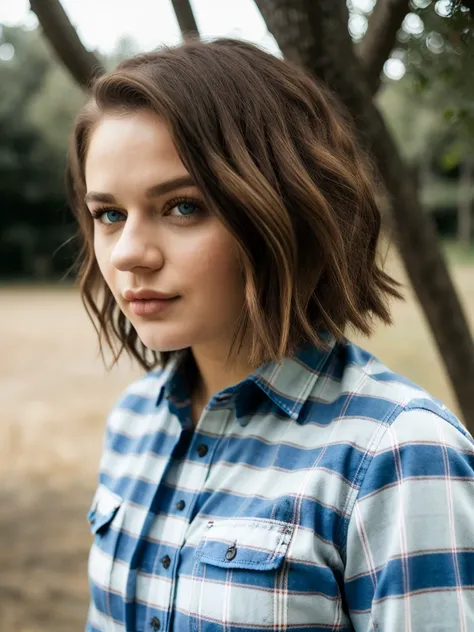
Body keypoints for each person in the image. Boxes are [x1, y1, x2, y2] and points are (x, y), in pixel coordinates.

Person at [67, 38, 474, 632]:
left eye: (183, 207)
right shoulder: (135, 420)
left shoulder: (401, 455)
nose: (129, 254)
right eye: (109, 214)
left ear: (282, 209)